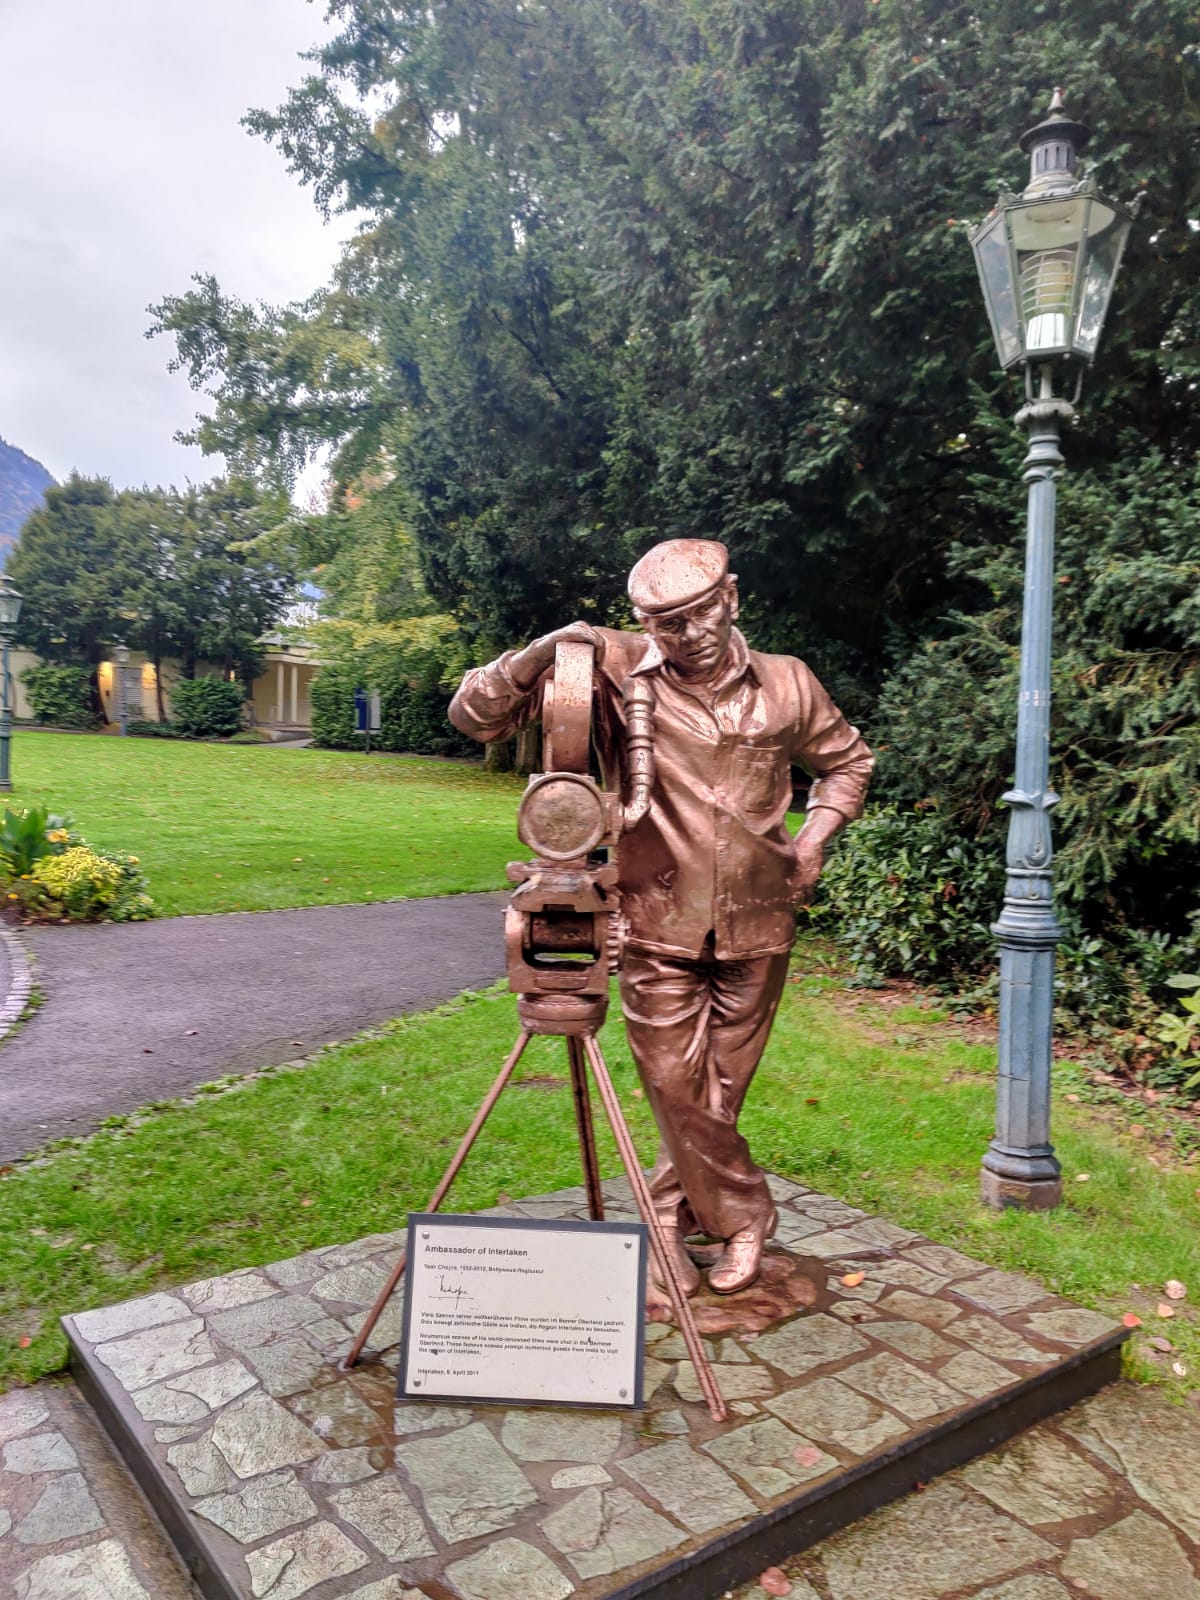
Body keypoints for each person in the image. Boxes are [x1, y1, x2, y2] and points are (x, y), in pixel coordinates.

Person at [450, 539, 873, 1293]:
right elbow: (474, 716)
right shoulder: (611, 670)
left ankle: (667, 1220)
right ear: (643, 620)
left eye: (699, 613)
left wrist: (814, 842)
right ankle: (746, 1218)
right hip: (656, 922)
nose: (686, 634)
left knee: (719, 1096)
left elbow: (847, 762)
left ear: (732, 598)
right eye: (664, 622)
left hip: (760, 921)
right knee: (676, 1090)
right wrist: (541, 652)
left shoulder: (788, 683)